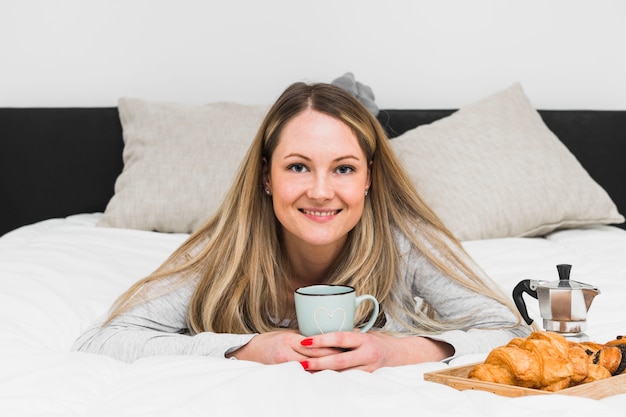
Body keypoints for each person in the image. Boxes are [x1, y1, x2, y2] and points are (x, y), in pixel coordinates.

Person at [73, 82, 530, 372]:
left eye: (344, 169)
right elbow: (105, 340)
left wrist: (398, 351)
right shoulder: (224, 248)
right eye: (297, 167)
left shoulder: (402, 240)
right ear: (265, 177)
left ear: (369, 178)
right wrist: (244, 349)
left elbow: (513, 332)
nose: (320, 190)